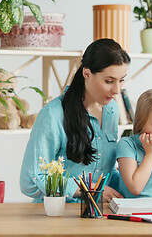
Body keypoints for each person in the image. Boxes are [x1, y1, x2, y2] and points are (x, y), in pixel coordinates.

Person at [20, 38, 130, 203]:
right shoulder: (53, 114)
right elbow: (30, 180)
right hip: (60, 215)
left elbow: (103, 169)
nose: (116, 90)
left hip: (99, 213)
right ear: (86, 73)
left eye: (121, 80)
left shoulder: (111, 110)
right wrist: (88, 189)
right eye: (109, 81)